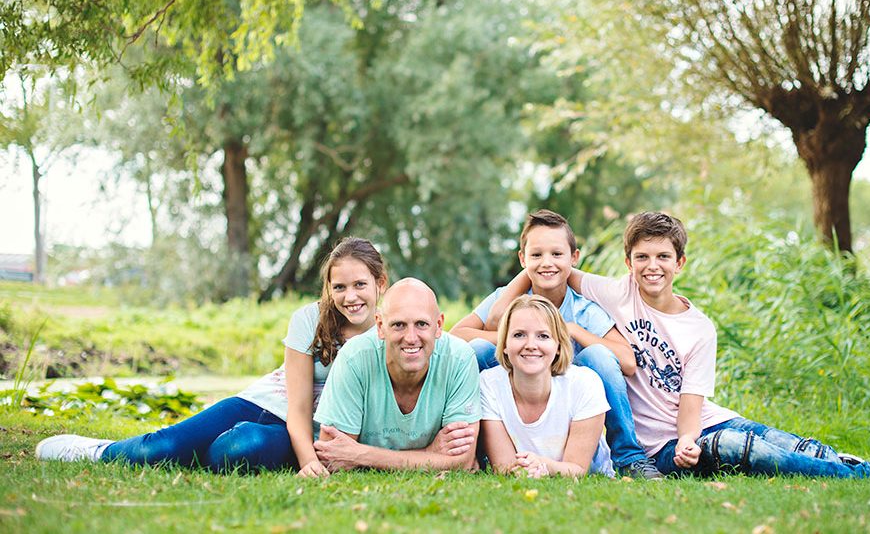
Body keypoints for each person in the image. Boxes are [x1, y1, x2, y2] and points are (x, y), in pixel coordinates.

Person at [557, 211, 870, 479]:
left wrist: (691, 439)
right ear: (628, 263)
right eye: (642, 257)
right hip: (660, 445)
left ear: (680, 263)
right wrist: (526, 289)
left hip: (701, 423)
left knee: (782, 441)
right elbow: (557, 268)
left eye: (663, 256)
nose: (652, 266)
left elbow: (692, 403)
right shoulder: (617, 292)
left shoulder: (699, 328)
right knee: (745, 449)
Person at [35, 238, 389, 476]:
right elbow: (296, 407)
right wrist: (309, 463)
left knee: (240, 450)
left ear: (380, 283)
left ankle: (202, 452)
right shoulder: (309, 320)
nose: (350, 296)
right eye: (339, 286)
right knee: (163, 447)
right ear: (328, 288)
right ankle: (99, 450)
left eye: (360, 285)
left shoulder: (390, 332)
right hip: (262, 406)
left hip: (302, 432)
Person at [455, 209, 662, 479]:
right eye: (536, 255)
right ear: (523, 259)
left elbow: (627, 361)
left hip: (567, 391)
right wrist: (514, 338)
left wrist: (569, 331)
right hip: (519, 381)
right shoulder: (507, 299)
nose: (546, 263)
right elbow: (457, 336)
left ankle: (629, 457)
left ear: (574, 258)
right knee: (478, 350)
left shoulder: (582, 309)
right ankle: (471, 451)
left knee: (600, 355)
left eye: (556, 254)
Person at [310, 278, 480, 473]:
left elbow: (463, 461)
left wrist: (362, 455)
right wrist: (428, 454)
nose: (410, 338)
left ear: (439, 325)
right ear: (380, 326)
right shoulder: (354, 357)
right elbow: (333, 457)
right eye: (399, 325)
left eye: (422, 324)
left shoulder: (460, 359)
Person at [481, 295, 614, 478]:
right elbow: (504, 467)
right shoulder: (488, 385)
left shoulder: (584, 384)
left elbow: (578, 469)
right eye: (519, 335)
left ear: (558, 345)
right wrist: (526, 469)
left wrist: (543, 465)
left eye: (543, 336)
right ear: (504, 344)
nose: (531, 345)